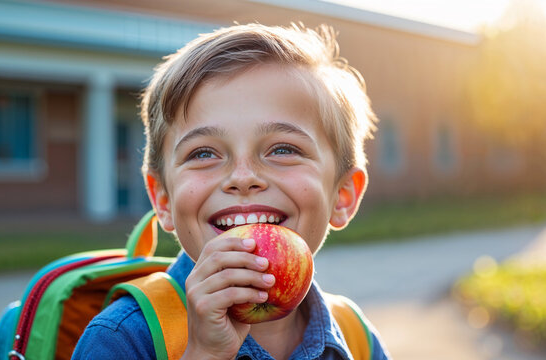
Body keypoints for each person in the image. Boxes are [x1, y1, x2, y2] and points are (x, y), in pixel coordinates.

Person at [73, 23, 391, 360]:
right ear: (163, 199)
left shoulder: (357, 338)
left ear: (343, 194)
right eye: (203, 153)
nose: (243, 177)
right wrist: (204, 353)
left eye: (282, 149)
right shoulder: (121, 341)